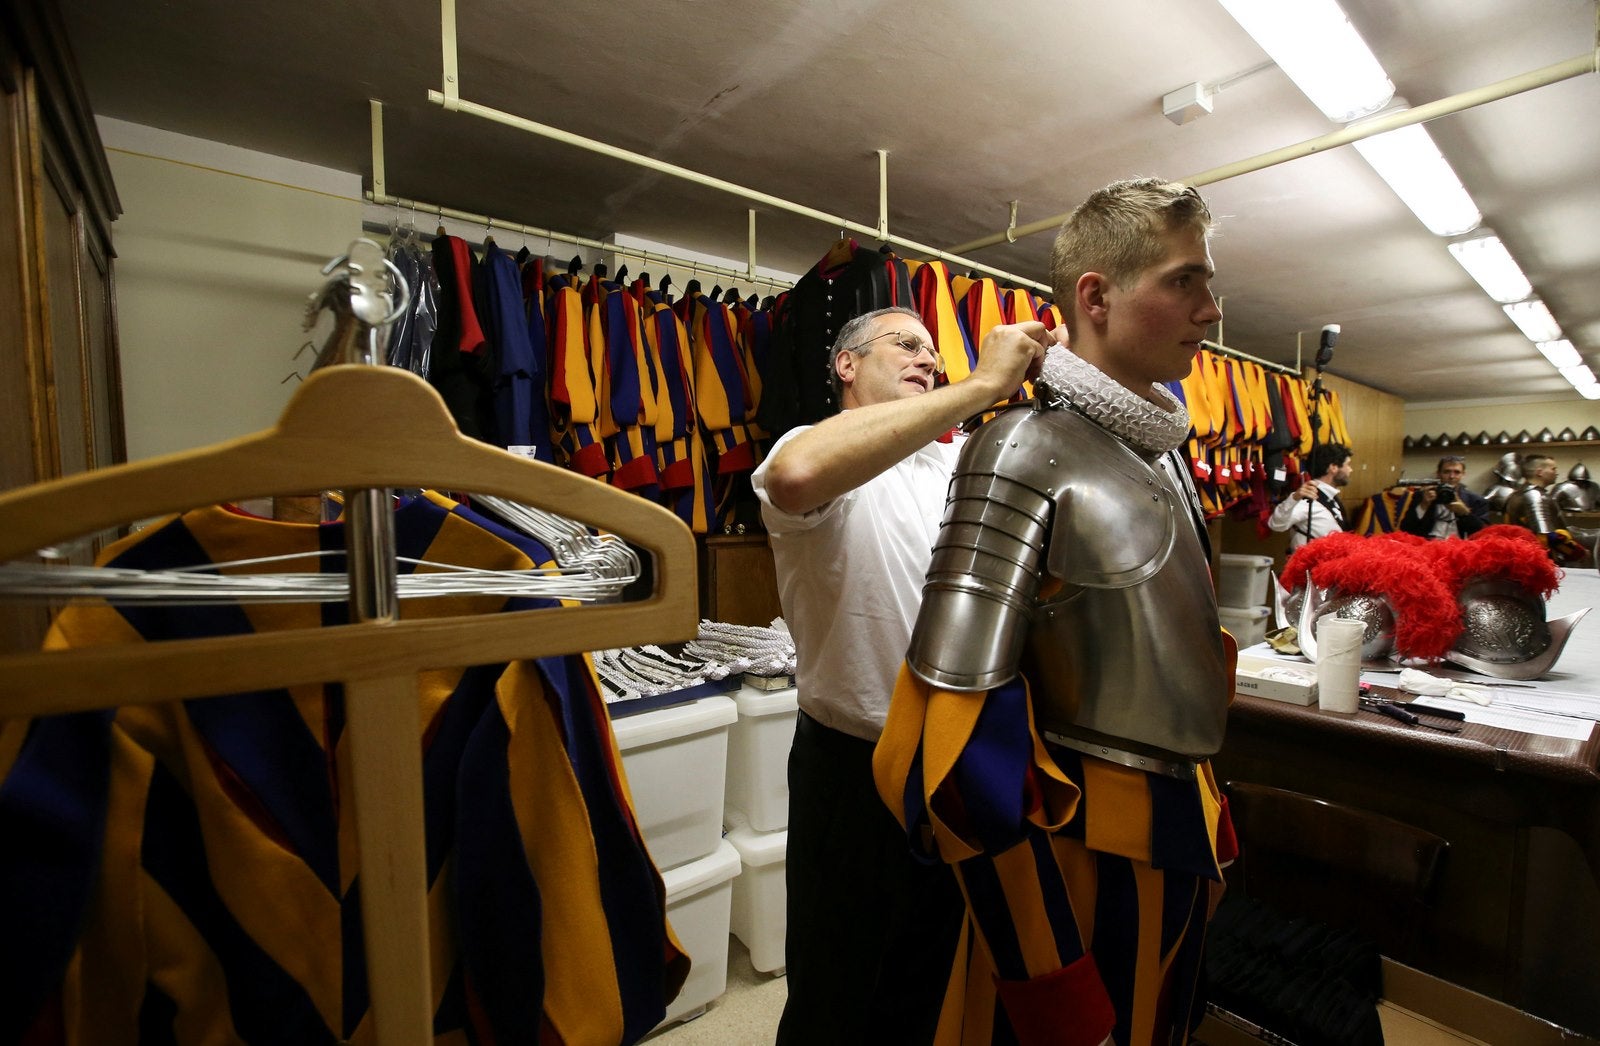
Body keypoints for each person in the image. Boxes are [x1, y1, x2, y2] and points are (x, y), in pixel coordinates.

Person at [874, 178, 1237, 1045]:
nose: (1211, 311)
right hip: (1075, 860)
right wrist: (1049, 975)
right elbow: (952, 741)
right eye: (1184, 282)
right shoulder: (1023, 447)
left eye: (1208, 284)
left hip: (1176, 828)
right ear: (1096, 296)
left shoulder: (1159, 447)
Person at [751, 304, 1050, 1044]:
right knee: (836, 987)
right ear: (846, 365)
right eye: (906, 344)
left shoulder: (958, 461)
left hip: (962, 759)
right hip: (855, 766)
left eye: (934, 351)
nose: (928, 359)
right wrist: (984, 383)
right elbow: (796, 476)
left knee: (935, 975)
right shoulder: (812, 448)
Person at [1267, 441, 1354, 550]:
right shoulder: (1307, 499)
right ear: (1333, 467)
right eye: (1348, 465)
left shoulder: (1331, 498)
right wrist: (1294, 498)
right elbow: (1276, 524)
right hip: (1312, 565)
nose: (1350, 470)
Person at [1398, 454, 1490, 539]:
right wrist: (1423, 506)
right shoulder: (1421, 496)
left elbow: (1484, 534)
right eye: (1446, 472)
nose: (1451, 476)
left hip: (1460, 548)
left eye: (1457, 472)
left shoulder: (1476, 500)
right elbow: (1406, 530)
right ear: (1438, 474)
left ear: (1463, 474)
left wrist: (1465, 513)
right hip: (1427, 546)